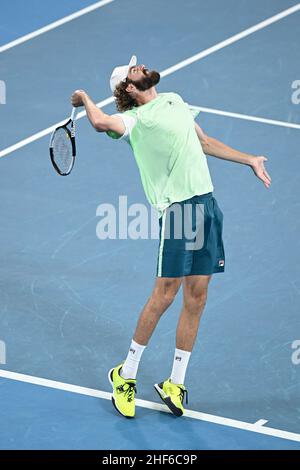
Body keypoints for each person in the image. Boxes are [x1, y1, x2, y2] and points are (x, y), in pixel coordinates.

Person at [71, 55, 271, 419]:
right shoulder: (132, 121)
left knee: (198, 296)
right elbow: (100, 122)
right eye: (135, 70)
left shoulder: (176, 101)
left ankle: (175, 382)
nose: (142, 66)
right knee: (165, 294)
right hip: (178, 213)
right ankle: (125, 374)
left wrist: (249, 160)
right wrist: (84, 98)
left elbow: (205, 142)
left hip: (207, 205)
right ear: (129, 87)